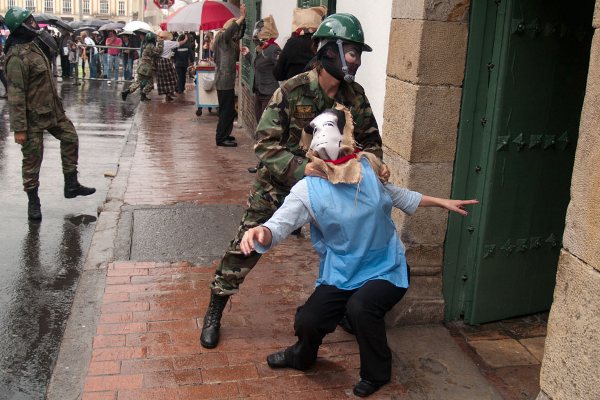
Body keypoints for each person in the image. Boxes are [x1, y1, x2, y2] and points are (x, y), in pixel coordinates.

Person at [239, 107, 478, 397]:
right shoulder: (308, 189)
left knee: (361, 308)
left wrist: (442, 202)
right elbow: (279, 224)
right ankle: (302, 356)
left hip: (385, 267)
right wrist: (260, 231)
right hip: (342, 271)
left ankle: (377, 373)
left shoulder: (367, 169)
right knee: (309, 320)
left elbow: (396, 195)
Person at [200, 13, 388, 349]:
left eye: (359, 53)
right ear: (328, 51)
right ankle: (217, 304)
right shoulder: (292, 90)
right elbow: (265, 144)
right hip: (278, 187)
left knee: (346, 251)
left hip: (333, 192)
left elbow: (372, 143)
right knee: (247, 245)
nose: (355, 61)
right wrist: (304, 168)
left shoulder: (355, 96)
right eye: (350, 52)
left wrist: (372, 164)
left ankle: (345, 310)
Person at [4, 7, 96, 220]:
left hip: (52, 111)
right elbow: (16, 96)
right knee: (32, 162)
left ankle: (71, 184)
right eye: (30, 21)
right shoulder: (16, 57)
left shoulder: (34, 47)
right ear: (21, 27)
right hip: (31, 118)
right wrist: (19, 129)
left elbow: (53, 49)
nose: (35, 24)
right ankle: (33, 203)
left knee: (70, 137)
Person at [241, 15, 281, 173]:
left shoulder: (274, 49)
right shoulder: (263, 50)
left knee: (267, 130)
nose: (257, 38)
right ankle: (262, 162)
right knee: (260, 129)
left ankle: (266, 164)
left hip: (269, 94)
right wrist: (248, 55)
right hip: (259, 93)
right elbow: (258, 66)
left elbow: (280, 70)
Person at [212, 3, 246, 147]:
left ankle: (225, 134)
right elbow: (231, 31)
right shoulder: (222, 38)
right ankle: (221, 138)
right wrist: (242, 16)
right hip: (224, 80)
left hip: (226, 80)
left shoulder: (228, 41)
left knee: (229, 110)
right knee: (226, 111)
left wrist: (243, 22)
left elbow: (239, 33)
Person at [273, 6, 325, 81]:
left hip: (296, 89)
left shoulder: (292, 43)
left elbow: (278, 74)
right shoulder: (323, 43)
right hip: (318, 89)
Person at [121, 31, 164, 102]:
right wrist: (161, 42)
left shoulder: (145, 44)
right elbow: (159, 51)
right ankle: (137, 93)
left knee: (142, 83)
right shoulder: (150, 46)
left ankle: (132, 93)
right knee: (146, 84)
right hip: (146, 68)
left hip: (143, 66)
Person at [156, 31, 186, 101]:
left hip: (160, 62)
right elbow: (179, 43)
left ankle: (168, 94)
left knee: (164, 79)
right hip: (166, 61)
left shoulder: (159, 43)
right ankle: (169, 94)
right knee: (173, 77)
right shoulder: (168, 42)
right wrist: (185, 39)